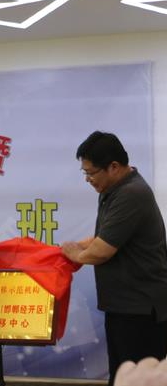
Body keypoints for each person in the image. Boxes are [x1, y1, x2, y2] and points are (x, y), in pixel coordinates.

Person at [61, 131, 167, 386]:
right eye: (84, 173)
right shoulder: (113, 189)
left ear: (114, 167)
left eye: (91, 173)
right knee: (121, 375)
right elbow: (103, 236)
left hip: (141, 310)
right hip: (123, 307)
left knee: (138, 379)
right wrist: (72, 246)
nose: (88, 179)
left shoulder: (132, 193)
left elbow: (102, 250)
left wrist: (73, 254)